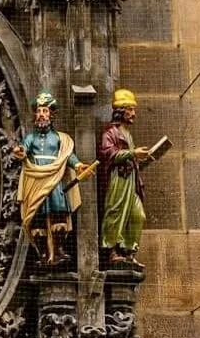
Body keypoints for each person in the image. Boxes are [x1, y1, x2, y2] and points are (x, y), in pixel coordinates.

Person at [12, 91, 88, 264]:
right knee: (37, 219)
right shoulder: (31, 138)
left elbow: (67, 155)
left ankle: (58, 250)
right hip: (36, 179)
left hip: (55, 180)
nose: (41, 115)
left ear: (51, 115)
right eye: (39, 111)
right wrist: (20, 151)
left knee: (58, 215)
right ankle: (44, 252)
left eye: (45, 111)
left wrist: (77, 165)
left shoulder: (59, 138)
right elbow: (23, 149)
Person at [98, 87, 150, 268]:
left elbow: (129, 156)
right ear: (120, 111)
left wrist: (139, 157)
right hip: (118, 180)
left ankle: (128, 250)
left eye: (133, 109)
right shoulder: (110, 133)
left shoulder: (128, 134)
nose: (133, 113)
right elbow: (108, 153)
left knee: (138, 215)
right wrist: (132, 153)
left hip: (131, 180)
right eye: (130, 109)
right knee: (116, 212)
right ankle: (112, 250)